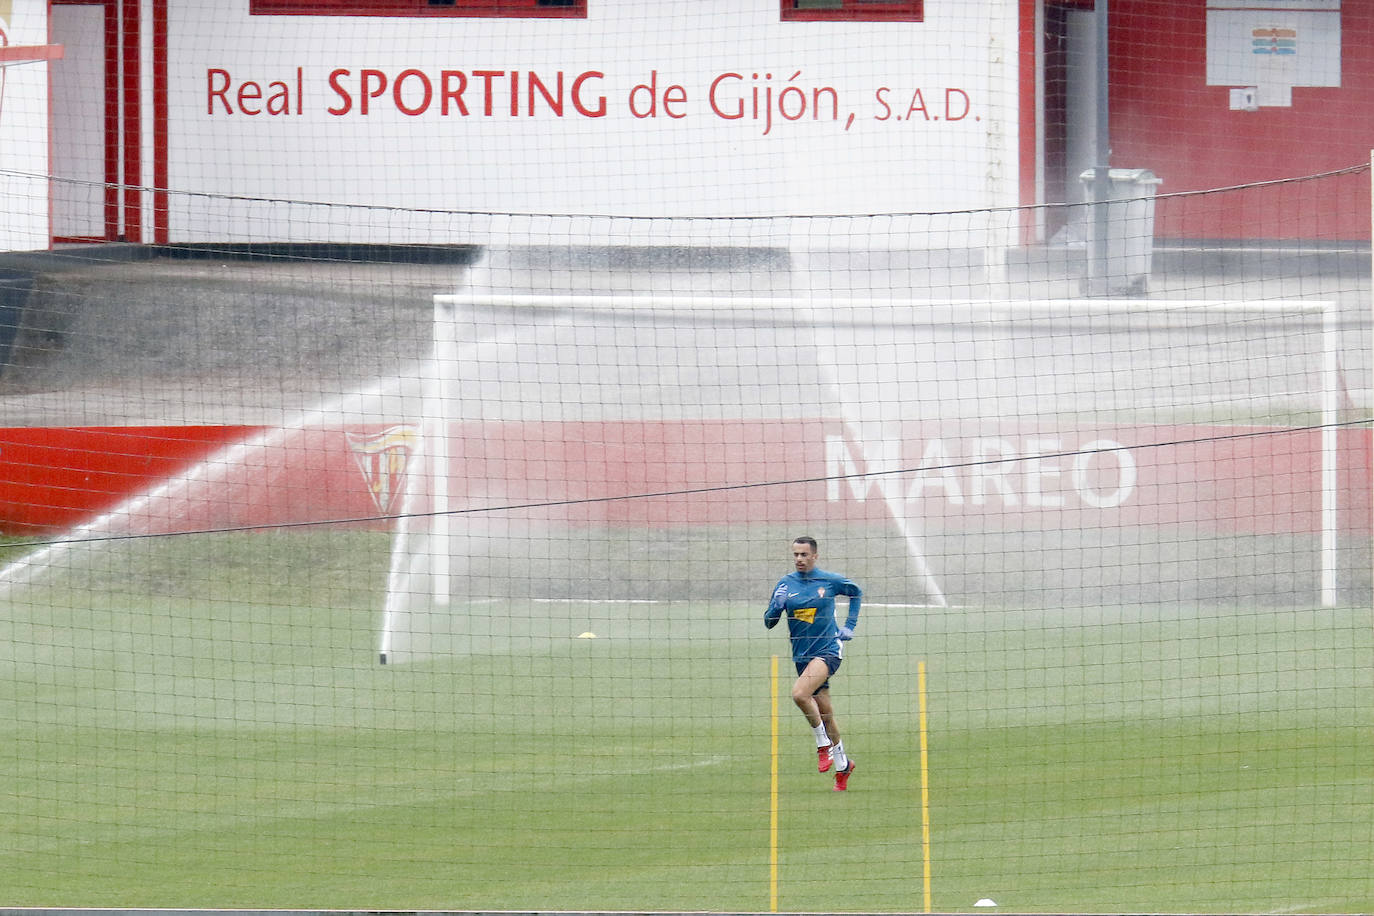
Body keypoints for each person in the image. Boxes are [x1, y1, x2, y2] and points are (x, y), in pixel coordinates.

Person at [764, 535, 862, 791]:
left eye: (804, 554)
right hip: (802, 657)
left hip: (828, 649)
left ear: (814, 556)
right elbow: (769, 622)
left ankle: (823, 746)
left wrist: (849, 626)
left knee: (799, 694)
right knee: (826, 714)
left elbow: (856, 593)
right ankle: (843, 765)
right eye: (795, 554)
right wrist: (776, 607)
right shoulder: (785, 584)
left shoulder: (828, 580)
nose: (799, 559)